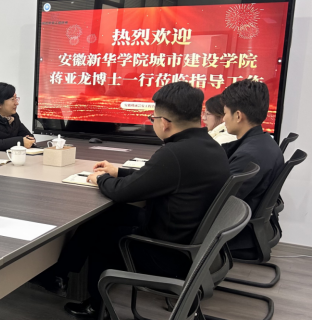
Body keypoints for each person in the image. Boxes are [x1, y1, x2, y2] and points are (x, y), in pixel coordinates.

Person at [33, 82, 231, 318]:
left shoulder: (175, 153)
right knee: (108, 215)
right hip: (189, 242)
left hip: (166, 253)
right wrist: (118, 172)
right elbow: (155, 178)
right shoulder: (210, 147)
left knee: (102, 237)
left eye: (152, 118)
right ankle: (59, 273)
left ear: (165, 123)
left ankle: (97, 306)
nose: (153, 122)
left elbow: (124, 193)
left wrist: (101, 179)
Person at [221, 79, 284, 251]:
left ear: (238, 116)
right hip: (251, 228)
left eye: (225, 113)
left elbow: (219, 205)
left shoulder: (249, 155)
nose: (223, 119)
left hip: (237, 234)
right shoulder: (265, 142)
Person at [0, 82, 35, 152]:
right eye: (12, 99)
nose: (16, 103)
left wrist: (29, 140)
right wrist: (20, 142)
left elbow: (29, 136)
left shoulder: (13, 117)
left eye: (16, 99)